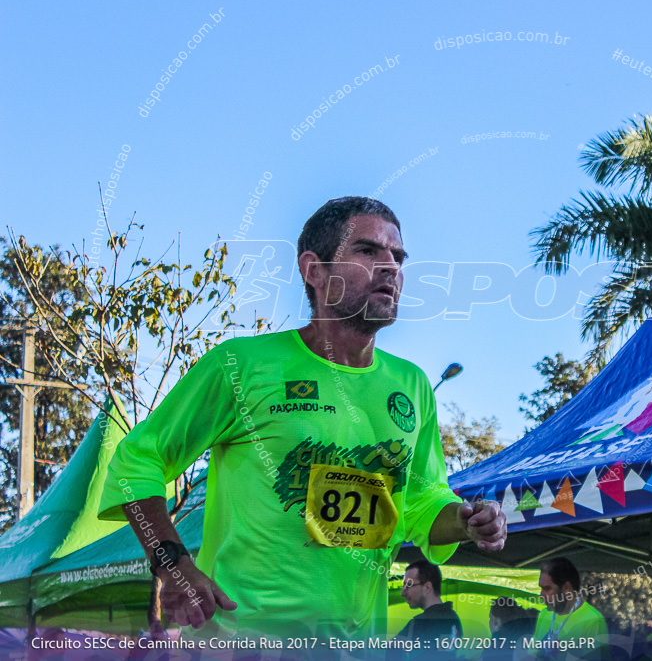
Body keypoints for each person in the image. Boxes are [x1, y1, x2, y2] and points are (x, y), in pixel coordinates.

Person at [97, 197, 507, 642]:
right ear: (314, 271)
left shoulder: (411, 385)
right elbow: (137, 460)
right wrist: (172, 563)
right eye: (368, 252)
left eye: (398, 256)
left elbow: (421, 500)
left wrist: (465, 520)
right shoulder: (242, 367)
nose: (390, 267)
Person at [532, 557, 608, 660]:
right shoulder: (544, 614)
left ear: (567, 588)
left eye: (547, 589)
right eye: (541, 589)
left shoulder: (593, 620)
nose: (541, 596)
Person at [395, 560, 463, 640]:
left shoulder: (420, 624)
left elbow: (389, 650)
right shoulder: (453, 618)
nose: (403, 593)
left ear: (427, 587)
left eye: (409, 585)